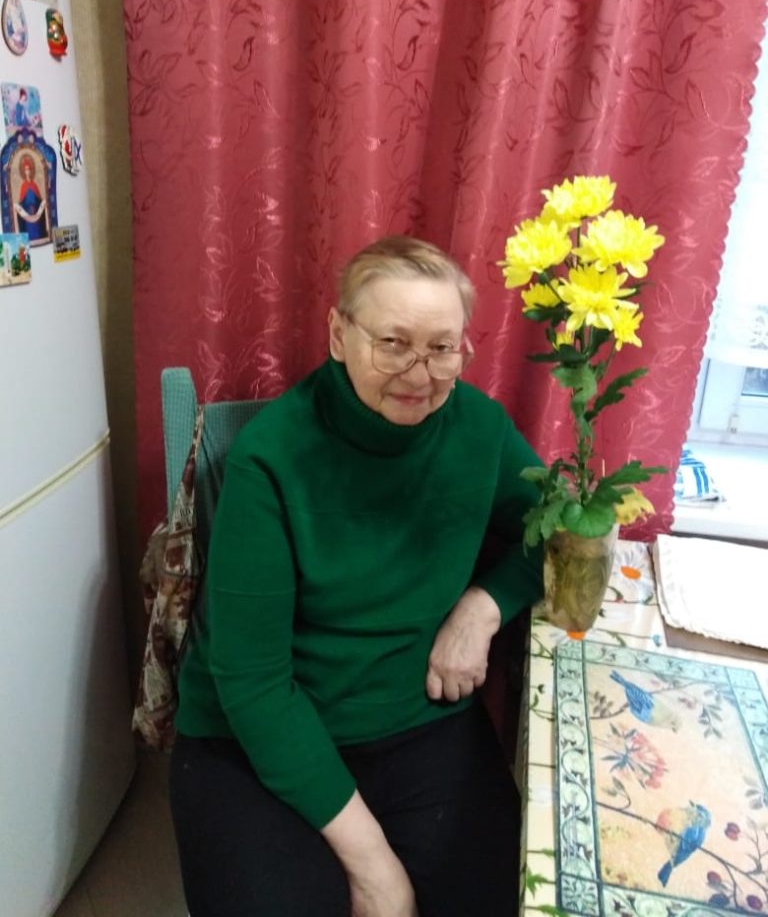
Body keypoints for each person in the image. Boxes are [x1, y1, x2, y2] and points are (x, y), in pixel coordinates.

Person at [170, 235, 544, 917]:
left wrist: (485, 605)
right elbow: (252, 683)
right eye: (393, 343)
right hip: (256, 733)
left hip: (416, 718)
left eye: (442, 347)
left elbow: (565, 531)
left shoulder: (480, 430)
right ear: (339, 336)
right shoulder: (270, 458)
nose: (420, 373)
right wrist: (374, 866)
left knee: (503, 898)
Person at [14, 153, 48, 244]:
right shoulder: (23, 186)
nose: (27, 172)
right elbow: (21, 202)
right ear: (23, 171)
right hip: (27, 216)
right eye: (25, 170)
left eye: (28, 169)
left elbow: (39, 199)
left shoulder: (34, 185)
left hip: (37, 214)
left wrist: (40, 206)